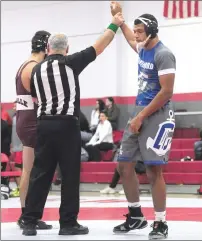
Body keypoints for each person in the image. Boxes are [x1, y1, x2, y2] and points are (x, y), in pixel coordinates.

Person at [21, 13, 124, 236]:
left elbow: (36, 98)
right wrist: (114, 24)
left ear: (48, 48)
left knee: (40, 173)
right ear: (66, 49)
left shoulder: (36, 70)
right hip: (67, 126)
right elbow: (100, 45)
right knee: (69, 174)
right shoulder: (71, 62)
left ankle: (29, 221)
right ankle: (67, 223)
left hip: (44, 125)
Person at [111, 2, 176, 239]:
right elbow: (129, 37)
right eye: (136, 31)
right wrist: (119, 21)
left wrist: (141, 116)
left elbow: (166, 92)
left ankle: (160, 222)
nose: (136, 35)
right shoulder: (142, 47)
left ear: (151, 31)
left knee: (152, 171)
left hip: (157, 114)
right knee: (124, 164)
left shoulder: (164, 54)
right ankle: (136, 215)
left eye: (140, 31)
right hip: (139, 112)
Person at [15, 30, 52, 230]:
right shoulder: (35, 67)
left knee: (28, 170)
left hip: (23, 119)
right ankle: (29, 215)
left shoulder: (24, 65)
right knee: (33, 172)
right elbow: (44, 97)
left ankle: (25, 214)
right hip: (31, 122)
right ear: (46, 48)